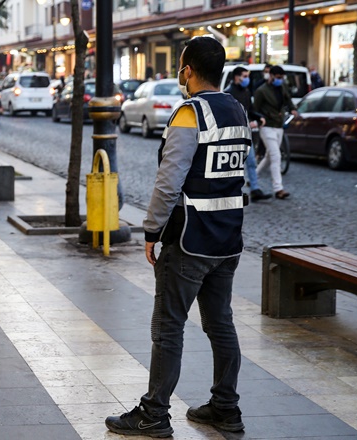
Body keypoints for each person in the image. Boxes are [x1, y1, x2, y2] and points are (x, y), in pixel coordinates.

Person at [105, 36, 249, 438]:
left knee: (168, 327)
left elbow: (169, 183)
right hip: (229, 238)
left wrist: (151, 229)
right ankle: (226, 407)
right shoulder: (236, 109)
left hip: (189, 239)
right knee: (221, 324)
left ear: (187, 70)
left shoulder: (190, 114)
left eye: (181, 66)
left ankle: (153, 414)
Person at [224, 66, 271, 202]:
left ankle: (255, 190)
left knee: (251, 162)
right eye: (244, 76)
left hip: (245, 133)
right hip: (233, 135)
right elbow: (228, 115)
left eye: (247, 76)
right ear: (236, 77)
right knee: (233, 165)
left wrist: (258, 117)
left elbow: (249, 109)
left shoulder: (245, 91)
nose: (247, 79)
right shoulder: (229, 93)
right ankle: (231, 192)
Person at [254, 65, 298, 199]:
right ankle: (278, 189)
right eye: (278, 78)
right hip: (267, 126)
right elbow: (255, 108)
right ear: (271, 76)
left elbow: (287, 99)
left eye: (282, 78)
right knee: (276, 155)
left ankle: (253, 176)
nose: (280, 80)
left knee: (269, 156)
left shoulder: (282, 87)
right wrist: (259, 119)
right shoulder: (261, 91)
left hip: (279, 126)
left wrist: (292, 109)